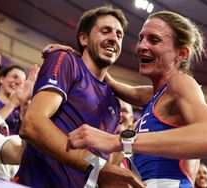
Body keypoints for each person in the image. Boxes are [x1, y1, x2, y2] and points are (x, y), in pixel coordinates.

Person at [68, 10, 207, 188]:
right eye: (141, 38)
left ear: (182, 54)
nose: (141, 46)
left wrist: (116, 141)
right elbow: (109, 82)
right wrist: (76, 56)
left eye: (154, 40)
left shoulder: (180, 82)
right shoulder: (154, 95)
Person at [16, 6, 144, 188]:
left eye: (119, 35)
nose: (113, 38)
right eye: (105, 31)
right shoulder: (66, 61)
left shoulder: (114, 103)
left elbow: (100, 163)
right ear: (83, 38)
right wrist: (98, 167)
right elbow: (33, 123)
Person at [0, 43, 39, 181]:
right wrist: (11, 103)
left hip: (11, 170)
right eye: (14, 77)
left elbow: (21, 153)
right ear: (1, 78)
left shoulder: (18, 113)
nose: (17, 83)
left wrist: (26, 105)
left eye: (22, 81)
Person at [0, 65, 27, 135]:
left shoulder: (20, 110)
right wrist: (11, 105)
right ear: (2, 79)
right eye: (15, 77)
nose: (18, 82)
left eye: (23, 82)